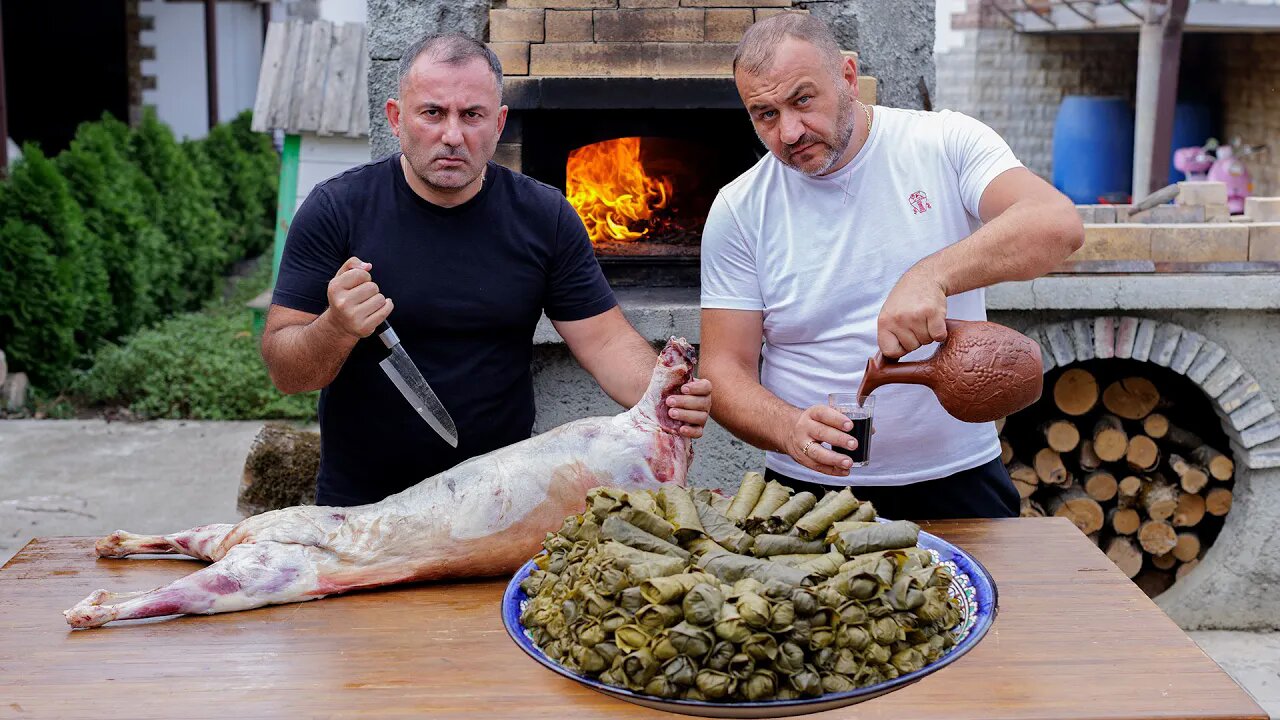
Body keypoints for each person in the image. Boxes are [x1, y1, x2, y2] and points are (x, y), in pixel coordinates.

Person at [261, 32, 712, 506]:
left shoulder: (544, 216)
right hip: (361, 504)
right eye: (432, 113)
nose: (452, 135)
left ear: (499, 124)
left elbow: (605, 341)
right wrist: (335, 327)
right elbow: (286, 372)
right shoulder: (337, 209)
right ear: (396, 118)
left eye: (471, 115)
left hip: (500, 501)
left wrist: (665, 394)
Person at [698, 14, 1083, 520]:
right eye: (765, 114)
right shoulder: (739, 208)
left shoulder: (944, 142)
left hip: (959, 478)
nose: (789, 131)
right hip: (808, 492)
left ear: (849, 77)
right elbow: (724, 369)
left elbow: (1057, 225)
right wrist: (788, 428)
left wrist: (931, 275)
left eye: (802, 100)